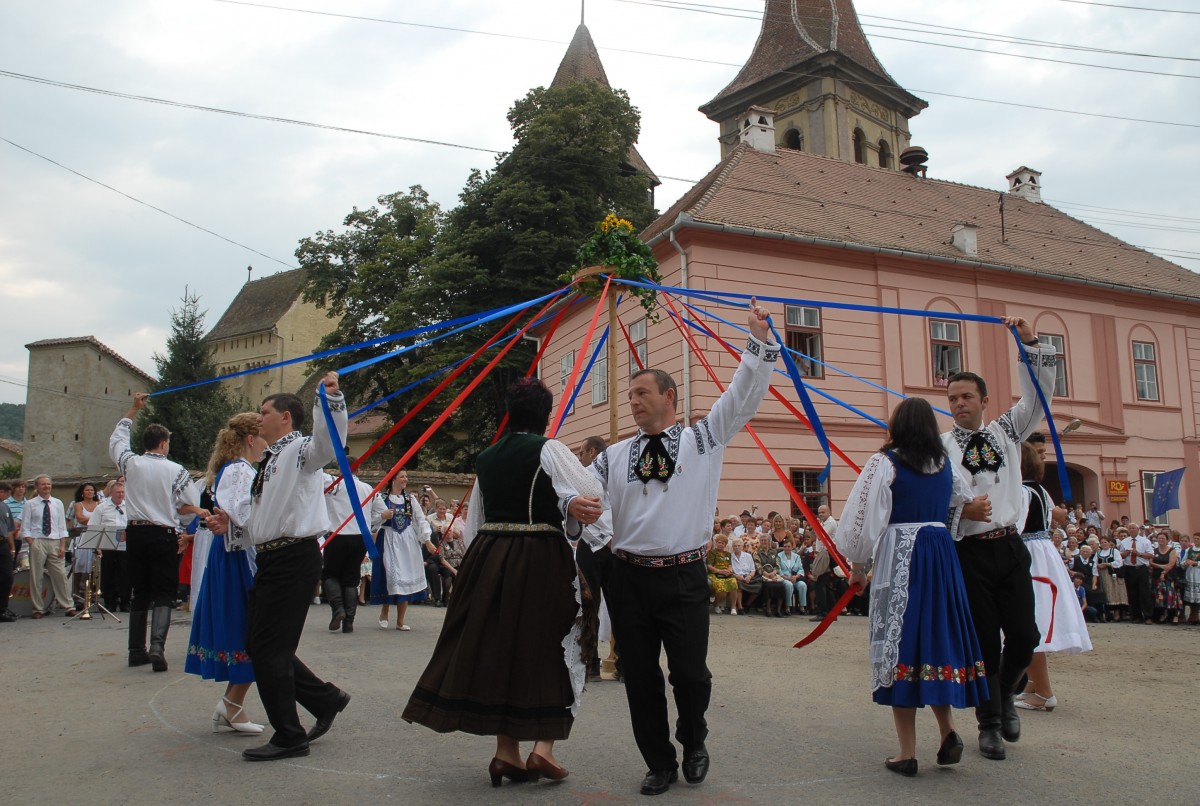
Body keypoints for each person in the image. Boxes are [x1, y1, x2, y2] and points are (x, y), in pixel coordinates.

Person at [588, 299, 778, 796]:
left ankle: (694, 738)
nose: (632, 401)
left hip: (684, 575)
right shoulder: (611, 456)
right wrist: (574, 511)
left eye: (641, 392)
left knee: (691, 675)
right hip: (629, 576)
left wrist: (756, 342)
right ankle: (659, 762)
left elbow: (741, 397)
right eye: (628, 394)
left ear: (669, 396)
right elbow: (579, 494)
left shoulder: (703, 440)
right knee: (641, 679)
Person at [402, 377, 602, 786]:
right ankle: (543, 748)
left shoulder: (487, 457)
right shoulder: (549, 449)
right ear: (546, 416)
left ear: (510, 413)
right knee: (556, 641)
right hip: (540, 557)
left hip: (489, 559)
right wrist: (570, 513)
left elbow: (476, 521)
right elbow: (590, 492)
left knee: (503, 647)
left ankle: (505, 753)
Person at [836, 397, 988, 776]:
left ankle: (907, 752)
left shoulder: (885, 464)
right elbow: (960, 505)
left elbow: (865, 518)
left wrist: (858, 564)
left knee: (900, 642)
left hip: (904, 554)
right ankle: (947, 730)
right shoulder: (945, 467)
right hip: (940, 556)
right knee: (935, 638)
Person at [205, 372, 352, 762]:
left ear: (285, 417)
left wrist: (331, 400)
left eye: (265, 410)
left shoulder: (302, 450)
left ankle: (290, 734)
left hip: (294, 557)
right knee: (261, 644)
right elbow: (265, 520)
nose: (259, 416)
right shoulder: (269, 460)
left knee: (269, 648)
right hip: (274, 557)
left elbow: (329, 442)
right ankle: (325, 699)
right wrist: (233, 526)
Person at [942, 315, 1056, 761]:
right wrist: (961, 510)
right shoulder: (941, 446)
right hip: (968, 551)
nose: (959, 404)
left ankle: (1008, 695)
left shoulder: (1007, 431)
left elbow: (1039, 394)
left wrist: (1028, 342)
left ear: (984, 400)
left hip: (1010, 547)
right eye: (952, 398)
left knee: (1025, 635)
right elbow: (928, 502)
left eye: (967, 396)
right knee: (986, 642)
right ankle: (988, 723)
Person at [185, 412, 268, 735]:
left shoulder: (240, 469)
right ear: (250, 439)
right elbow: (243, 513)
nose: (266, 444)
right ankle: (232, 705)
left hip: (236, 554)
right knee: (248, 631)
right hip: (238, 559)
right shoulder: (238, 471)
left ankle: (232, 704)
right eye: (262, 437)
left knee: (250, 632)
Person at [110, 396, 205, 670]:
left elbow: (117, 441)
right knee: (164, 591)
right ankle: (156, 646)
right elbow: (189, 505)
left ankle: (134, 650)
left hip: (136, 533)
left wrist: (134, 410)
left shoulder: (130, 463)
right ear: (163, 443)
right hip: (163, 533)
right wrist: (180, 516)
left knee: (140, 590)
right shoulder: (176, 470)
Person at [1015, 442, 1091, 714]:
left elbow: (1014, 527)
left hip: (1028, 556)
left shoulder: (1022, 492)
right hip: (1043, 553)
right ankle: (1034, 685)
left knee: (1029, 623)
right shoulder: (1040, 491)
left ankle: (1044, 692)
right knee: (1033, 620)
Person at [321, 464, 386, 633]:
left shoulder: (333, 483)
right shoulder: (368, 488)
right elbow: (383, 512)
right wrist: (370, 523)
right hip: (359, 537)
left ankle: (338, 609)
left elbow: (314, 475)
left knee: (330, 574)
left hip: (337, 535)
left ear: (342, 469)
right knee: (351, 578)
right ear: (358, 470)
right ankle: (349, 622)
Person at [372, 471, 435, 629]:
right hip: (388, 537)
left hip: (407, 540)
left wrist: (427, 540)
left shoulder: (410, 499)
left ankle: (401, 620)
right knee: (390, 575)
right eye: (402, 477)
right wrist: (382, 516)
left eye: (406, 477)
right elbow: (371, 519)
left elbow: (420, 520)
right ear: (393, 479)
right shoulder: (381, 498)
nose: (406, 479)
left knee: (406, 574)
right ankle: (385, 609)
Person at [17, 474, 76, 618]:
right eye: (43, 484)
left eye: (48, 484)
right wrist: (32, 543)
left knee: (60, 575)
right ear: (37, 487)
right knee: (37, 576)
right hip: (38, 540)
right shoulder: (30, 504)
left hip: (55, 541)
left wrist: (62, 545)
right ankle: (38, 608)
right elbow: (25, 527)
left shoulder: (57, 503)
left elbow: (62, 526)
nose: (46, 486)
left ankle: (68, 605)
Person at [93, 481, 130, 613]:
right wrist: (97, 546)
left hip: (125, 547)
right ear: (112, 493)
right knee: (108, 575)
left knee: (125, 574)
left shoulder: (129, 506)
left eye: (122, 492)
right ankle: (110, 603)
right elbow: (94, 526)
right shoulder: (102, 508)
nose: (120, 495)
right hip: (107, 546)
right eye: (118, 492)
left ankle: (125, 602)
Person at [70, 482, 100, 602]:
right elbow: (80, 518)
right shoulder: (78, 504)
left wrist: (91, 520)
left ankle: (92, 592)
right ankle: (77, 592)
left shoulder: (98, 504)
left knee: (93, 565)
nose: (90, 492)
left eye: (92, 490)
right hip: (81, 536)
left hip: (94, 535)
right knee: (79, 564)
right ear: (82, 492)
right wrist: (94, 520)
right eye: (87, 490)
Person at [1119, 526, 1155, 623]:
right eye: (1130, 528)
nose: (1132, 530)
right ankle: (1136, 616)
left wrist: (1139, 554)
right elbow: (1119, 555)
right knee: (1132, 593)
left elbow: (1151, 555)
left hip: (1141, 568)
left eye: (1134, 528)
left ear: (1138, 530)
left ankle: (1148, 616)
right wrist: (1125, 554)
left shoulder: (1145, 541)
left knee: (1144, 593)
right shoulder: (1124, 542)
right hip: (1129, 569)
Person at [705, 534, 737, 614]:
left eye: (723, 543)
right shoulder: (711, 552)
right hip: (715, 574)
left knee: (734, 582)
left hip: (726, 574)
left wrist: (729, 570)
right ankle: (716, 604)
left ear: (725, 545)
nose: (721, 544)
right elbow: (709, 566)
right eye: (719, 542)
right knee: (721, 585)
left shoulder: (728, 554)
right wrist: (720, 571)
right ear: (716, 543)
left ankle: (733, 607)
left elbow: (730, 565)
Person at [776, 538, 807, 615]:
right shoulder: (779, 556)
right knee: (789, 585)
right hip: (784, 578)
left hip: (794, 578)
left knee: (802, 585)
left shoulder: (796, 557)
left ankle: (802, 607)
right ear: (783, 547)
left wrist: (796, 577)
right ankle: (788, 607)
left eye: (789, 546)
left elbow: (801, 569)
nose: (787, 548)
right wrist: (786, 577)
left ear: (792, 547)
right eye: (785, 546)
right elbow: (778, 569)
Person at [0, 481, 16, 622]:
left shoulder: (5, 506)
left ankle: (3, 609)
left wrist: (11, 547)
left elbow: (10, 530)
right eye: (6, 493)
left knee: (7, 577)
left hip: (3, 543)